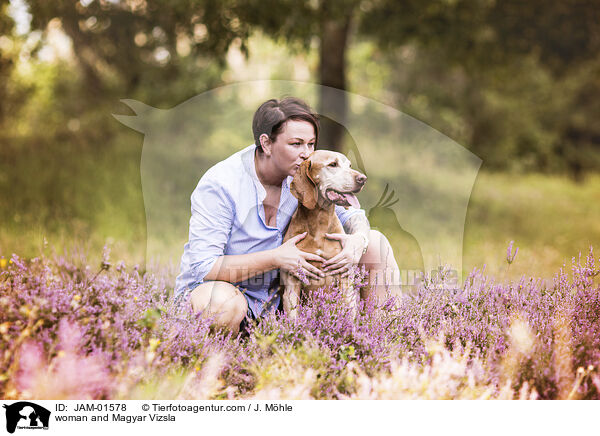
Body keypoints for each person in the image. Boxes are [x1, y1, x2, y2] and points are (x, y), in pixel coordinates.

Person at [174, 97, 401, 335]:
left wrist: (359, 240)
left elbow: (352, 215)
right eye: (296, 144)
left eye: (311, 144)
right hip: (226, 295)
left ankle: (382, 344)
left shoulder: (305, 176)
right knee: (220, 302)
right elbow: (203, 266)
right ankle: (219, 359)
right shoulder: (221, 184)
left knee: (376, 243)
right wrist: (276, 258)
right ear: (267, 143)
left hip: (278, 305)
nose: (306, 154)